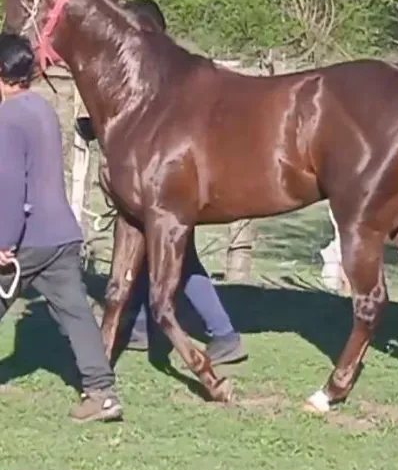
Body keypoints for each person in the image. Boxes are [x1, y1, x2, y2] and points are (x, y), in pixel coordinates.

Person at [0, 33, 122, 423]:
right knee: (77, 315)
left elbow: (11, 184)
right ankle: (102, 393)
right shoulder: (42, 108)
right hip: (62, 233)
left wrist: (4, 241)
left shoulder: (8, 117)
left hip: (28, 236)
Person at [77, 117, 246, 366]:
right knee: (151, 250)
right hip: (164, 170)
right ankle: (143, 326)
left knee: (179, 257)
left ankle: (224, 333)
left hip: (168, 177)